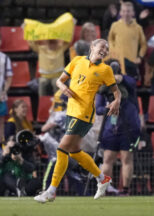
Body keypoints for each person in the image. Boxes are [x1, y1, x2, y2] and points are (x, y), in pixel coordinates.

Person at [34, 39, 121, 203]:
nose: (105, 50)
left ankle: (51, 191)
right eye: (102, 47)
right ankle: (102, 178)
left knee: (61, 149)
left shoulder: (105, 69)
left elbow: (117, 92)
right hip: (71, 112)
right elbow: (60, 80)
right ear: (92, 47)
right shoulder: (77, 61)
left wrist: (117, 101)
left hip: (84, 114)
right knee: (74, 151)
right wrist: (63, 87)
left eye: (107, 49)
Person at [96, 59, 141, 196]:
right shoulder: (104, 86)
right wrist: (109, 107)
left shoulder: (127, 82)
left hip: (129, 126)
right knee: (108, 158)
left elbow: (132, 83)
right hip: (111, 128)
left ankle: (125, 190)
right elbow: (98, 109)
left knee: (126, 158)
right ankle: (106, 188)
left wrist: (120, 79)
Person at [108, 2, 147, 78]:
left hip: (131, 62)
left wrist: (140, 57)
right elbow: (110, 40)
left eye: (128, 11)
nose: (126, 13)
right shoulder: (115, 25)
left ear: (133, 13)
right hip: (117, 61)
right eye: (124, 11)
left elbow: (143, 44)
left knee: (131, 85)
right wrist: (113, 52)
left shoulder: (138, 28)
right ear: (120, 13)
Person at [0, 32, 13, 145]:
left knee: (1, 122)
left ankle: (1, 144)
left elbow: (9, 77)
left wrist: (4, 91)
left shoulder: (4, 58)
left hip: (1, 95)